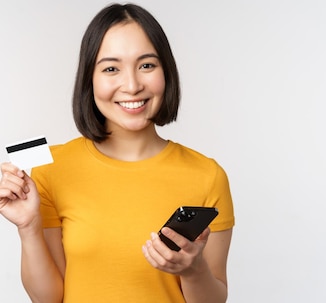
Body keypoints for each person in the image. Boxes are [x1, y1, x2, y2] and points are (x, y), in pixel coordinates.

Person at [0, 3, 234, 303]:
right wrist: (29, 227)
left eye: (147, 65)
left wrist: (193, 270)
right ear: (90, 79)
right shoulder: (52, 170)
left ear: (167, 72)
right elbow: (48, 299)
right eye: (111, 68)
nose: (133, 85)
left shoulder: (207, 175)